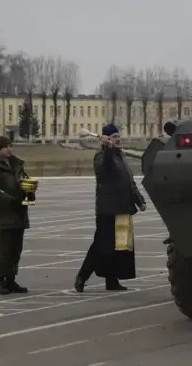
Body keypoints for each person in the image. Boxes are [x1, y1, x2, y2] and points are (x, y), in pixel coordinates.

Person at [74, 123, 147, 292]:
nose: (118, 139)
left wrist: (139, 200)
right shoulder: (101, 155)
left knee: (119, 247)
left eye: (118, 136)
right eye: (114, 136)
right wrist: (107, 149)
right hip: (107, 209)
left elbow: (128, 181)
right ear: (106, 139)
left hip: (123, 208)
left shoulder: (121, 156)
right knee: (101, 246)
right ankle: (82, 276)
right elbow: (105, 169)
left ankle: (112, 280)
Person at [0, 136, 32, 295]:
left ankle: (11, 279)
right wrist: (9, 200)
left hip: (19, 212)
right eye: (5, 147)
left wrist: (29, 192)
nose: (8, 149)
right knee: (4, 249)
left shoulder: (17, 165)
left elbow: (24, 182)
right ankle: (0, 280)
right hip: (4, 214)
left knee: (16, 249)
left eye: (9, 146)